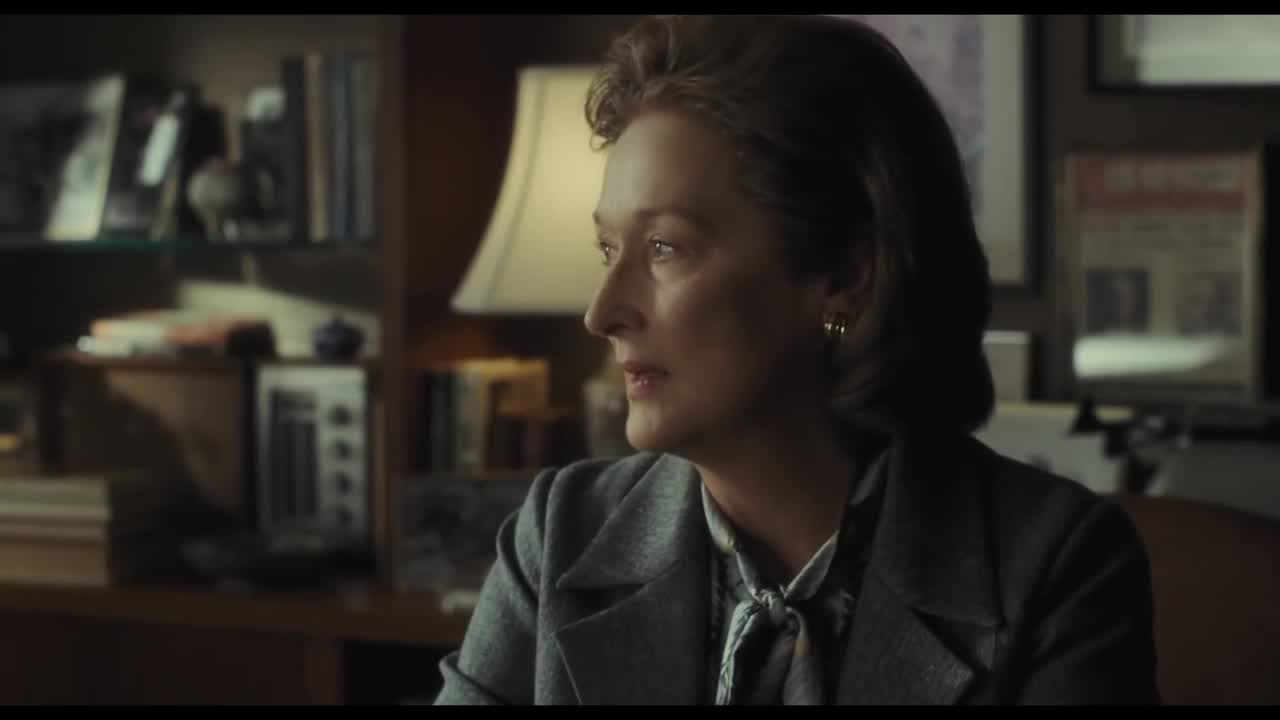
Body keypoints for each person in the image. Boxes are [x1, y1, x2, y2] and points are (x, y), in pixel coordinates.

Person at [434, 14, 1160, 705]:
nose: (603, 313)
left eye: (664, 248)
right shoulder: (560, 535)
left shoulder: (1054, 567)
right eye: (607, 249)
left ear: (843, 275)